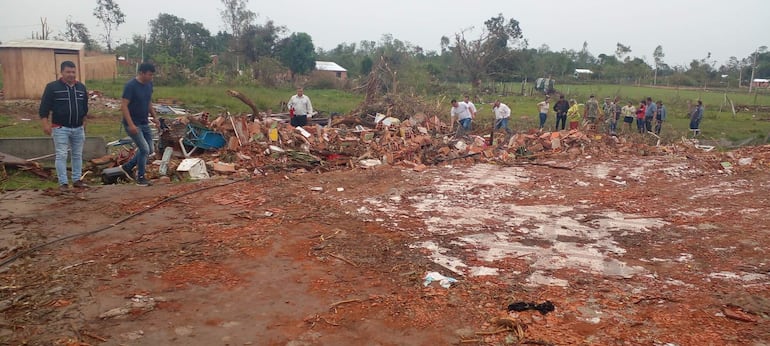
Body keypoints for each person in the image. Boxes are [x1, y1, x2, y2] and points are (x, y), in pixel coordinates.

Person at [39, 61, 89, 191]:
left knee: (77, 155)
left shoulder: (81, 88)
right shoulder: (52, 87)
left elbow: (84, 108)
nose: (71, 75)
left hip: (78, 128)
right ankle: (63, 183)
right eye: (68, 72)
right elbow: (44, 108)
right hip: (60, 128)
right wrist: (45, 124)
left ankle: (77, 180)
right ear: (61, 72)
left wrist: (84, 122)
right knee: (61, 155)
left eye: (73, 72)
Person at [118, 63, 158, 187]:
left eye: (152, 75)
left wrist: (155, 117)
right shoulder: (131, 86)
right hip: (133, 123)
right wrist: (131, 125)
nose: (151, 77)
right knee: (144, 149)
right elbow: (124, 105)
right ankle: (141, 178)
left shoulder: (149, 85)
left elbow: (148, 101)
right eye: (149, 75)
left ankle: (127, 167)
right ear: (141, 73)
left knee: (150, 149)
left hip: (144, 122)